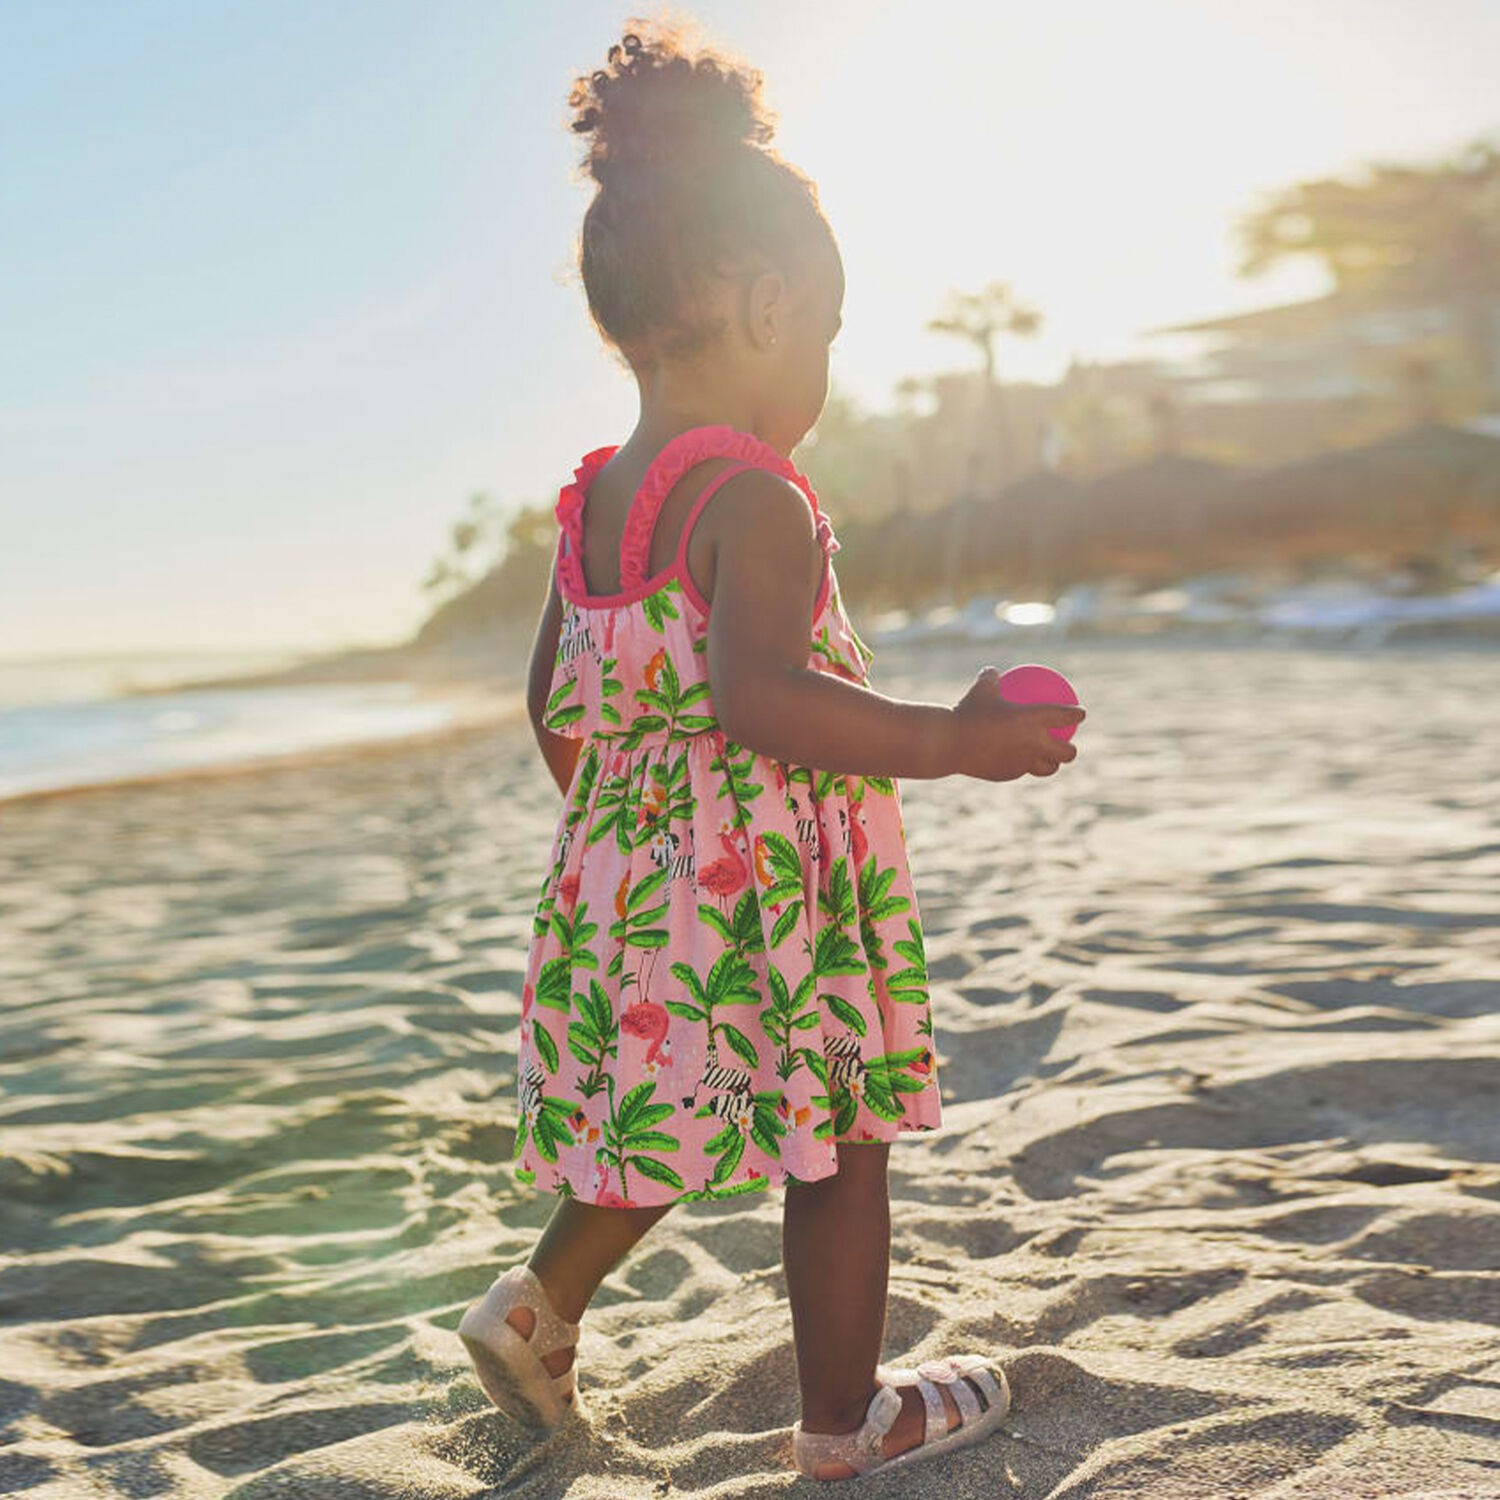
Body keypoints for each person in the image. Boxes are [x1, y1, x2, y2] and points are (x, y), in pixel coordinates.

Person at [458, 19, 1085, 1482]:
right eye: (826, 334)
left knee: (658, 1110)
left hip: (636, 875)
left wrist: (632, 835)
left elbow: (557, 695)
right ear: (761, 298)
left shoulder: (593, 509)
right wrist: (956, 738)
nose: (823, 368)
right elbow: (763, 700)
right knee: (843, 1134)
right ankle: (842, 1421)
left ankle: (536, 1304)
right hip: (776, 878)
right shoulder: (758, 497)